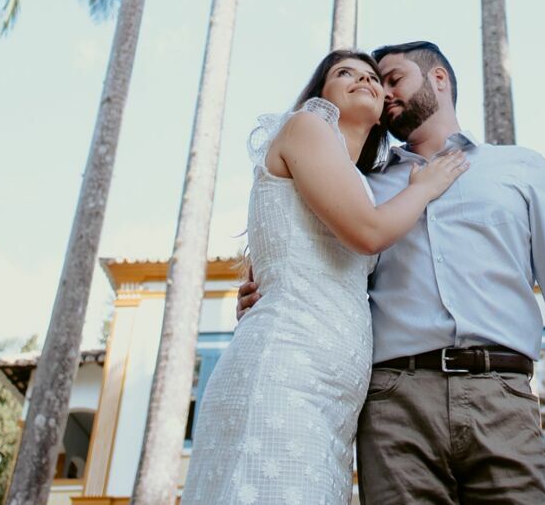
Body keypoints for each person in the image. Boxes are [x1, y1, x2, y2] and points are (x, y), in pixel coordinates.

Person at [239, 39, 545, 504]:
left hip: (503, 394)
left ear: (439, 79)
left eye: (392, 79)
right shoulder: (362, 187)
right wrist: (265, 292)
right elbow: (315, 260)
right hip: (393, 404)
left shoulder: (520, 168)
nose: (384, 92)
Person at [180, 48, 470, 505]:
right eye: (345, 73)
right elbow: (368, 233)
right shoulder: (308, 126)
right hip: (284, 375)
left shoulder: (356, 182)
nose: (365, 80)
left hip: (333, 401)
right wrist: (425, 188)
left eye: (373, 77)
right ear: (321, 93)